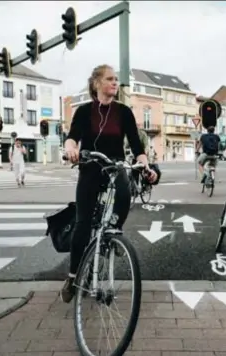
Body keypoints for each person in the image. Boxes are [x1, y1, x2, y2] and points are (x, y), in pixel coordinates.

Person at [62, 64, 157, 303]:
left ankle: (112, 234)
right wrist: (71, 148)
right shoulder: (84, 111)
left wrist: (144, 163)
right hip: (91, 167)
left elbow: (136, 145)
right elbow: (73, 136)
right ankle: (73, 277)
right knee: (83, 223)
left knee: (125, 194)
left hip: (115, 166)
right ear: (97, 84)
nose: (115, 83)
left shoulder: (123, 112)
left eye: (116, 79)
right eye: (110, 79)